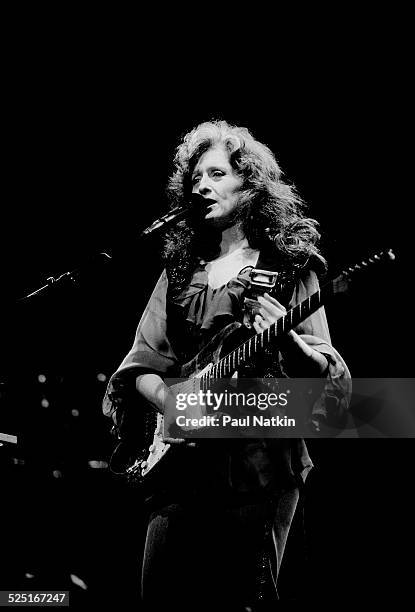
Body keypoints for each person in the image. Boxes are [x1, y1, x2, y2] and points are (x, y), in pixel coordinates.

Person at [103, 120, 351, 611]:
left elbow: (329, 395)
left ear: (251, 184)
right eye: (195, 178)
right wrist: (171, 400)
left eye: (216, 174)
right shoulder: (178, 272)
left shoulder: (292, 267)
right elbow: (142, 363)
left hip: (257, 465)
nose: (202, 187)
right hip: (178, 468)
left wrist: (292, 347)